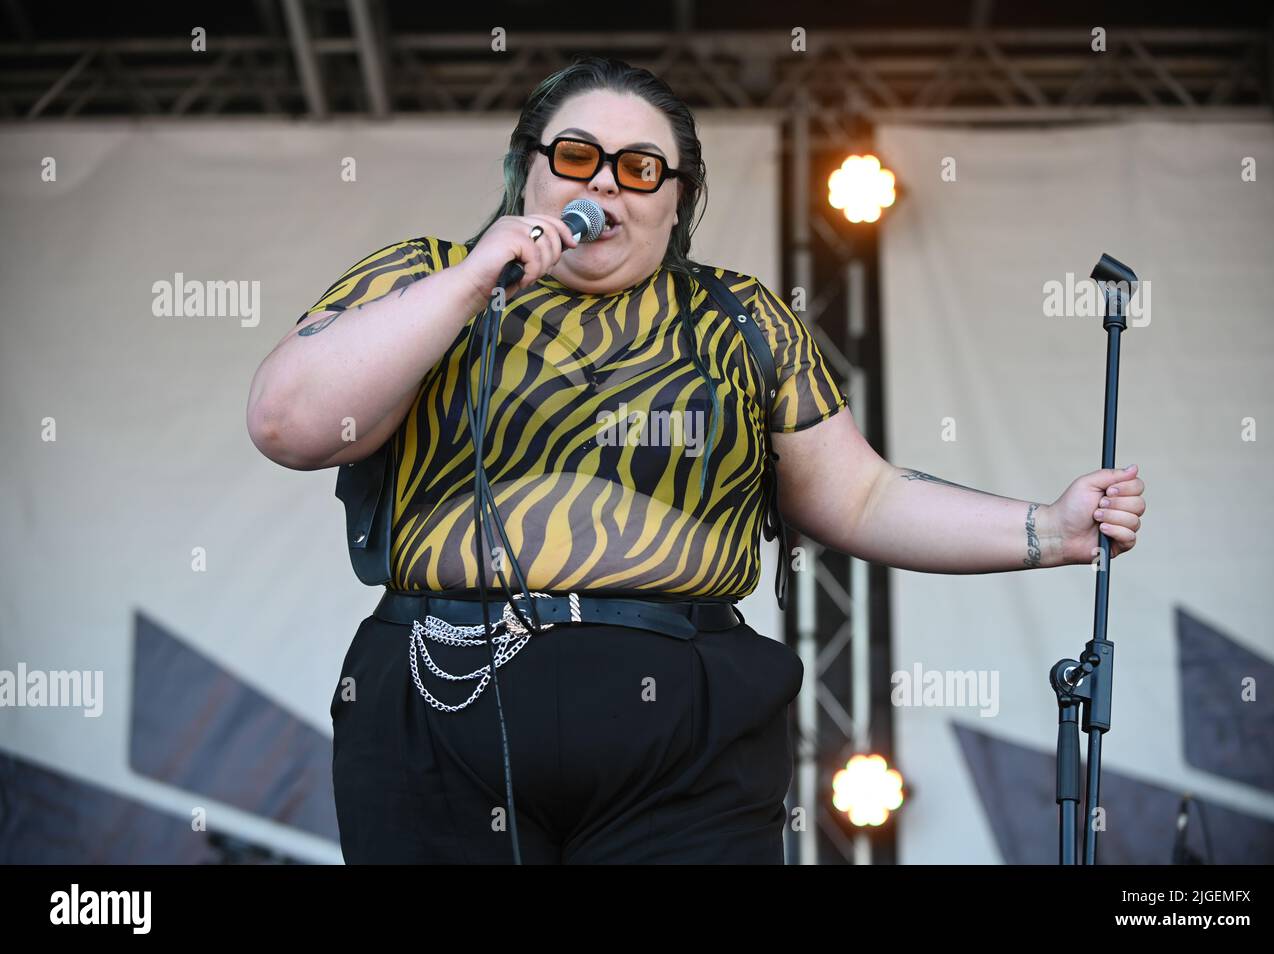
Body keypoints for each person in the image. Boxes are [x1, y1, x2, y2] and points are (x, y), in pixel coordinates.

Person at [246, 55, 1146, 865]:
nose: (605, 182)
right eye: (576, 156)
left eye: (640, 169)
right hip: (437, 702)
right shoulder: (425, 275)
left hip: (686, 729)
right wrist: (472, 280)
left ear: (676, 202)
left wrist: (1046, 528)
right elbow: (290, 423)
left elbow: (861, 497)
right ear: (526, 168)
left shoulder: (738, 318)